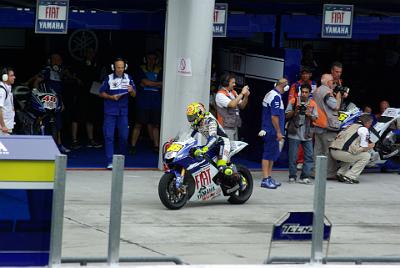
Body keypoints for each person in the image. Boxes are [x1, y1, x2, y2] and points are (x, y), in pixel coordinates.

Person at [186, 102, 245, 188]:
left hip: (222, 143)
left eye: (192, 116)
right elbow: (189, 136)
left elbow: (213, 138)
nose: (190, 119)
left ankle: (240, 178)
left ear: (199, 113)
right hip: (212, 144)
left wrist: (205, 148)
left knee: (221, 167)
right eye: (189, 117)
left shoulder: (210, 121)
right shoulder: (197, 123)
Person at [99, 58, 136, 169]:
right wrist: (111, 97)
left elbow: (134, 95)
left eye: (122, 67)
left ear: (125, 67)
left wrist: (131, 90)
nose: (120, 69)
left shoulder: (128, 78)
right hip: (110, 112)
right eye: (118, 67)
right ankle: (110, 161)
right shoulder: (109, 78)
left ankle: (120, 159)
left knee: (124, 137)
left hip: (123, 112)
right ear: (113, 67)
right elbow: (100, 93)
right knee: (109, 136)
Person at [30, 53, 70, 153]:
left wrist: (62, 102)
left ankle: (59, 145)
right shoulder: (47, 70)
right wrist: (36, 95)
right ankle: (41, 144)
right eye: (56, 59)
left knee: (58, 124)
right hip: (46, 101)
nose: (59, 61)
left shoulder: (59, 72)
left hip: (57, 101)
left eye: (60, 59)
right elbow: (37, 81)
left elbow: (59, 90)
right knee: (44, 122)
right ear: (51, 61)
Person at [258, 78, 289, 189]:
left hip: (271, 130)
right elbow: (274, 116)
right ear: (284, 86)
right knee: (267, 155)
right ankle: (265, 179)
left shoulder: (271, 94)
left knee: (271, 155)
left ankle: (269, 177)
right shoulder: (275, 97)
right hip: (272, 131)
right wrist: (279, 131)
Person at [130, 52, 163, 154]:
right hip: (143, 101)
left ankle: (156, 146)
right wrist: (155, 84)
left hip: (156, 101)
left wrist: (148, 84)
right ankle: (133, 146)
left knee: (156, 125)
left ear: (156, 60)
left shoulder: (160, 70)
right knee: (138, 124)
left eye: (153, 58)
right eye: (149, 58)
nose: (151, 60)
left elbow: (163, 84)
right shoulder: (140, 69)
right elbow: (144, 82)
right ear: (145, 59)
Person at [70, 48, 103, 149]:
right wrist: (77, 79)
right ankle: (74, 141)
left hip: (93, 95)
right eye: (88, 52)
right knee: (76, 117)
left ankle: (91, 140)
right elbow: (71, 75)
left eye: (92, 52)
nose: (90, 54)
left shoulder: (97, 65)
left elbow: (101, 79)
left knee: (90, 118)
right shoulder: (79, 64)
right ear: (85, 54)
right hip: (81, 94)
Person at [285, 83, 318, 184]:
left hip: (307, 133)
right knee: (293, 157)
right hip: (294, 132)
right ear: (300, 92)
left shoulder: (312, 103)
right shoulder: (294, 101)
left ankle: (304, 177)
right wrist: (295, 110)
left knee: (309, 156)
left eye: (306, 92)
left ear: (309, 93)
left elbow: (315, 118)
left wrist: (309, 114)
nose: (304, 94)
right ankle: (292, 176)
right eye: (302, 92)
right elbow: (286, 115)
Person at [329, 114, 375, 184]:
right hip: (343, 153)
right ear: (367, 122)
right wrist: (371, 146)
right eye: (370, 123)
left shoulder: (349, 126)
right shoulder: (364, 129)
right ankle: (350, 176)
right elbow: (364, 147)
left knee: (351, 154)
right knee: (366, 155)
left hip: (333, 151)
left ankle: (341, 173)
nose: (370, 125)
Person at [312, 74, 342, 180]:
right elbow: (335, 106)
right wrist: (338, 96)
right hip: (328, 126)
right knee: (328, 151)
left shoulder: (316, 91)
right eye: (332, 81)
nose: (332, 83)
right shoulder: (327, 92)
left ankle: (315, 172)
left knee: (317, 151)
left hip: (318, 124)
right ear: (328, 82)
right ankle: (329, 173)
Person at [215, 73, 250, 141]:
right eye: (233, 83)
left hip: (234, 126)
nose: (234, 84)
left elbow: (242, 106)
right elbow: (232, 104)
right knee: (228, 149)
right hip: (225, 127)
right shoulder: (220, 95)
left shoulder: (233, 92)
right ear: (226, 83)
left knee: (234, 149)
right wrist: (242, 93)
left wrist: (246, 96)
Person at [0, 67, 16, 135]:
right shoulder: (2, 90)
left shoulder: (7, 89)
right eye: (11, 75)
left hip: (6, 129)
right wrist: (3, 126)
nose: (14, 77)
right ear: (5, 77)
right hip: (2, 129)